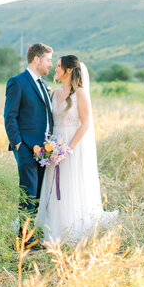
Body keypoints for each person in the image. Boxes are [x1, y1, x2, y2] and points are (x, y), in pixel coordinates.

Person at [35, 55, 118, 244]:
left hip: (73, 145)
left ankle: (72, 226)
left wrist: (68, 149)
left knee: (70, 182)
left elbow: (86, 122)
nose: (55, 69)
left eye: (58, 66)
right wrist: (51, 147)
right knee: (55, 183)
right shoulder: (54, 93)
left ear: (69, 70)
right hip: (54, 143)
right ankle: (52, 225)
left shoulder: (80, 93)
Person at [4, 42, 54, 241]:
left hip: (44, 150)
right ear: (36, 59)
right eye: (48, 60)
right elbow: (10, 116)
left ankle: (31, 233)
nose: (51, 64)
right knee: (28, 195)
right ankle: (24, 239)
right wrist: (18, 145)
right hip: (26, 148)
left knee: (38, 195)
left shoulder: (43, 84)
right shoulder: (18, 82)